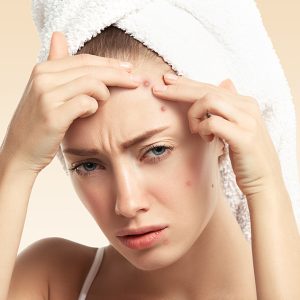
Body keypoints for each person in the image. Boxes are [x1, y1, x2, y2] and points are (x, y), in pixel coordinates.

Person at [1, 24, 299, 300]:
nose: (127, 204)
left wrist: (266, 187)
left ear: (220, 132)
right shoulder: (54, 281)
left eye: (156, 150)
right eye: (89, 165)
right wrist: (16, 163)